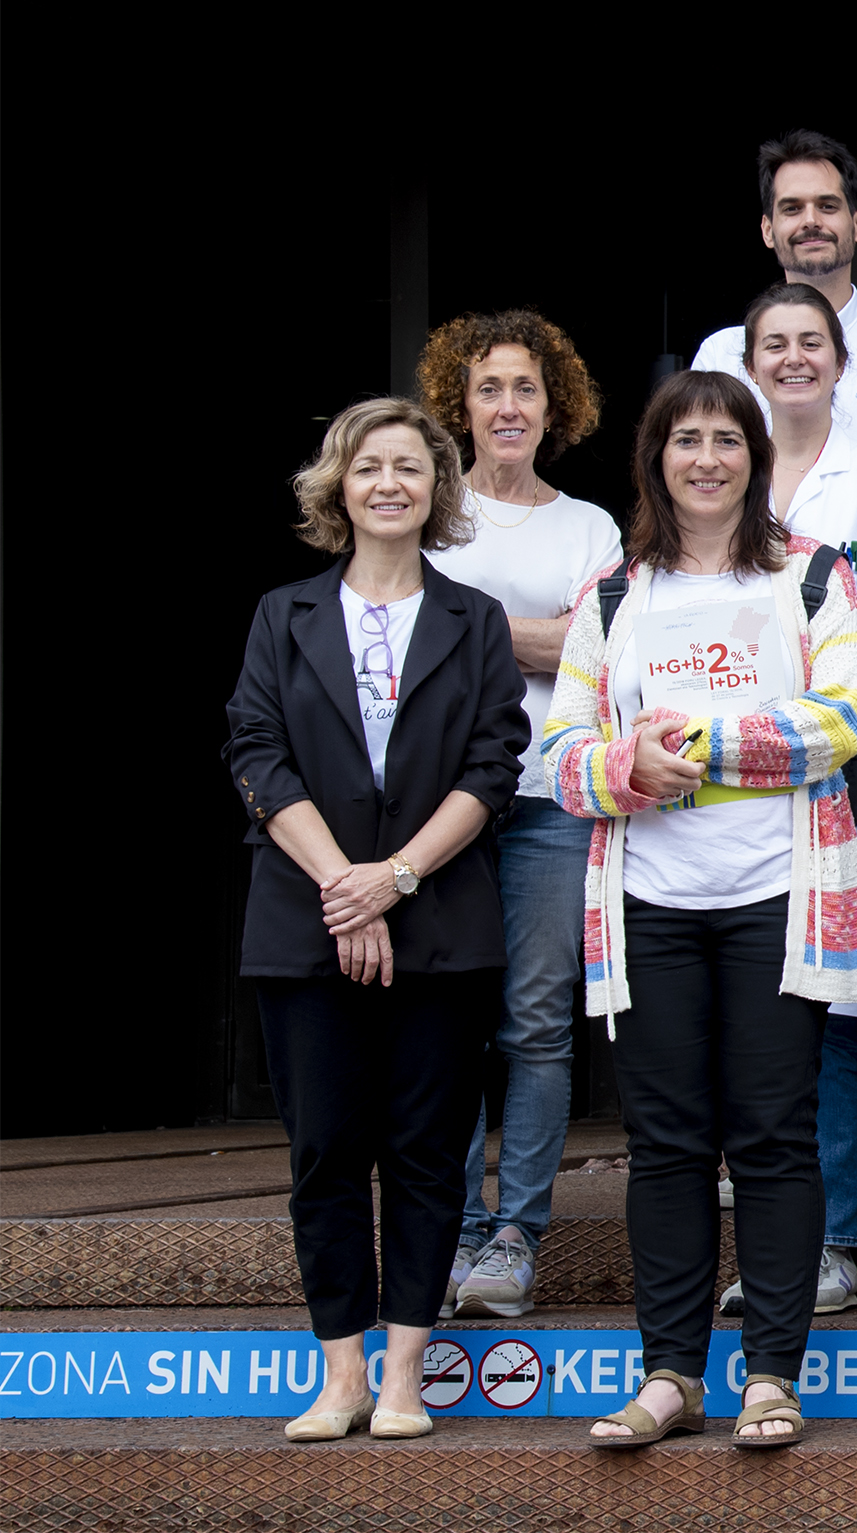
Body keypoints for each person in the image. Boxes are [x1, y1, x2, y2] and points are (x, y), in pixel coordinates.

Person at [545, 371, 857, 1450]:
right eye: (684, 440)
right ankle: (670, 1373)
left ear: (754, 456)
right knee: (668, 1143)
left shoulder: (814, 575)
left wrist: (701, 748)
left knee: (775, 1136)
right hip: (648, 906)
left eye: (725, 440)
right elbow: (558, 756)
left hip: (778, 898)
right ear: (656, 457)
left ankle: (773, 1373)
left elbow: (842, 720)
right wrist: (624, 764)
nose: (706, 459)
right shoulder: (611, 593)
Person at [223, 399, 529, 1441]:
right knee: (323, 1151)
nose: (389, 482)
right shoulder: (284, 614)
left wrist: (393, 878)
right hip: (304, 921)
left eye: (410, 466)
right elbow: (256, 753)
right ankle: (340, 1374)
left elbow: (495, 762)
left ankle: (404, 1378)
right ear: (338, 487)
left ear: (436, 489)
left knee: (425, 1152)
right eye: (369, 466)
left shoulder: (474, 619)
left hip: (438, 919)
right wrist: (343, 885)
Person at [712, 282, 857, 1323]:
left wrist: (801, 732)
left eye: (812, 342)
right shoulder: (717, 474)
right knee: (755, 1010)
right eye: (774, 344)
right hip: (727, 783)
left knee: (836, 1008)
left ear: (841, 362)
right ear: (751, 362)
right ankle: (772, 1239)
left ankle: (836, 1239)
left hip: (837, 765)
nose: (794, 358)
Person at [416, 309, 623, 1323]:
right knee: (446, 1017)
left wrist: (467, 627)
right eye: (490, 387)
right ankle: (452, 1228)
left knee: (536, 1026)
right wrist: (529, 635)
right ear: (461, 399)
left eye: (526, 389)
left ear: (556, 407)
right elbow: (405, 636)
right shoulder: (422, 508)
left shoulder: (588, 526)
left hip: (548, 796)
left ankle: (514, 1236)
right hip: (436, 803)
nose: (507, 405)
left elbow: (596, 655)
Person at [692, 129, 857, 526]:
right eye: (792, 208)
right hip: (745, 576)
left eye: (827, 206)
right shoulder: (721, 353)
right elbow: (699, 484)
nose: (811, 221)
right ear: (767, 229)